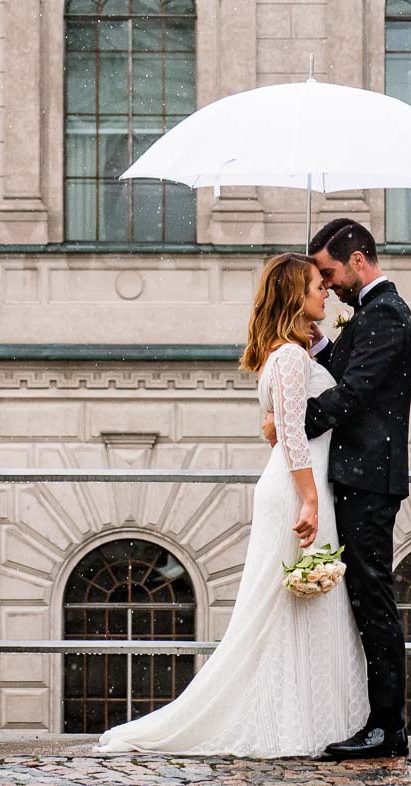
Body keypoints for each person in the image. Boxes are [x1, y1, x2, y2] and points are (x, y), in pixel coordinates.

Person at [96, 253, 367, 758]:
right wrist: (309, 499)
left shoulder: (290, 353)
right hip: (297, 490)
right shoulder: (288, 357)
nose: (324, 293)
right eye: (315, 286)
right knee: (286, 608)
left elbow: (282, 423)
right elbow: (289, 432)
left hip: (300, 486)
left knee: (295, 610)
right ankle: (288, 722)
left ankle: (301, 719)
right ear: (294, 297)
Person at [262, 218, 411, 759]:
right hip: (356, 476)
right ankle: (373, 719)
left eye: (328, 272)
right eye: (317, 280)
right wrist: (317, 344)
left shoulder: (387, 315)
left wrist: (289, 420)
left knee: (373, 598)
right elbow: (340, 372)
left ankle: (386, 727)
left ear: (357, 259)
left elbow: (349, 396)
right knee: (362, 598)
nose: (326, 285)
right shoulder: (371, 315)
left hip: (369, 478)